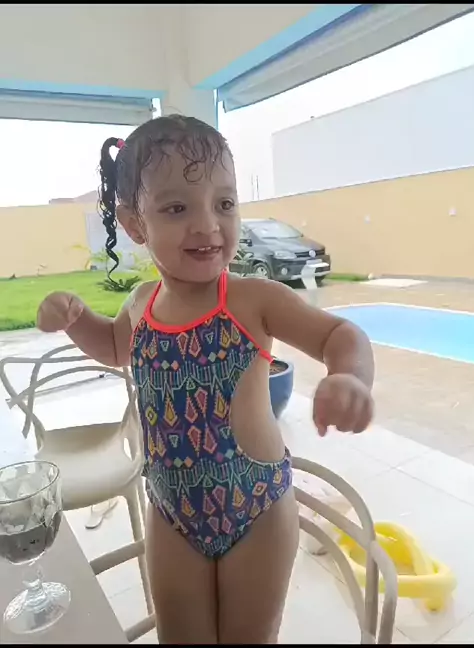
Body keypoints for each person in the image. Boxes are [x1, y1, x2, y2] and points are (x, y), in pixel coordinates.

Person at [37, 115, 374, 644]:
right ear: (135, 224)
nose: (207, 225)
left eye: (224, 203)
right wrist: (76, 320)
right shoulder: (141, 304)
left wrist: (350, 377)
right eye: (177, 208)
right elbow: (114, 347)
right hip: (171, 511)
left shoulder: (252, 299)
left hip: (256, 508)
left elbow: (340, 335)